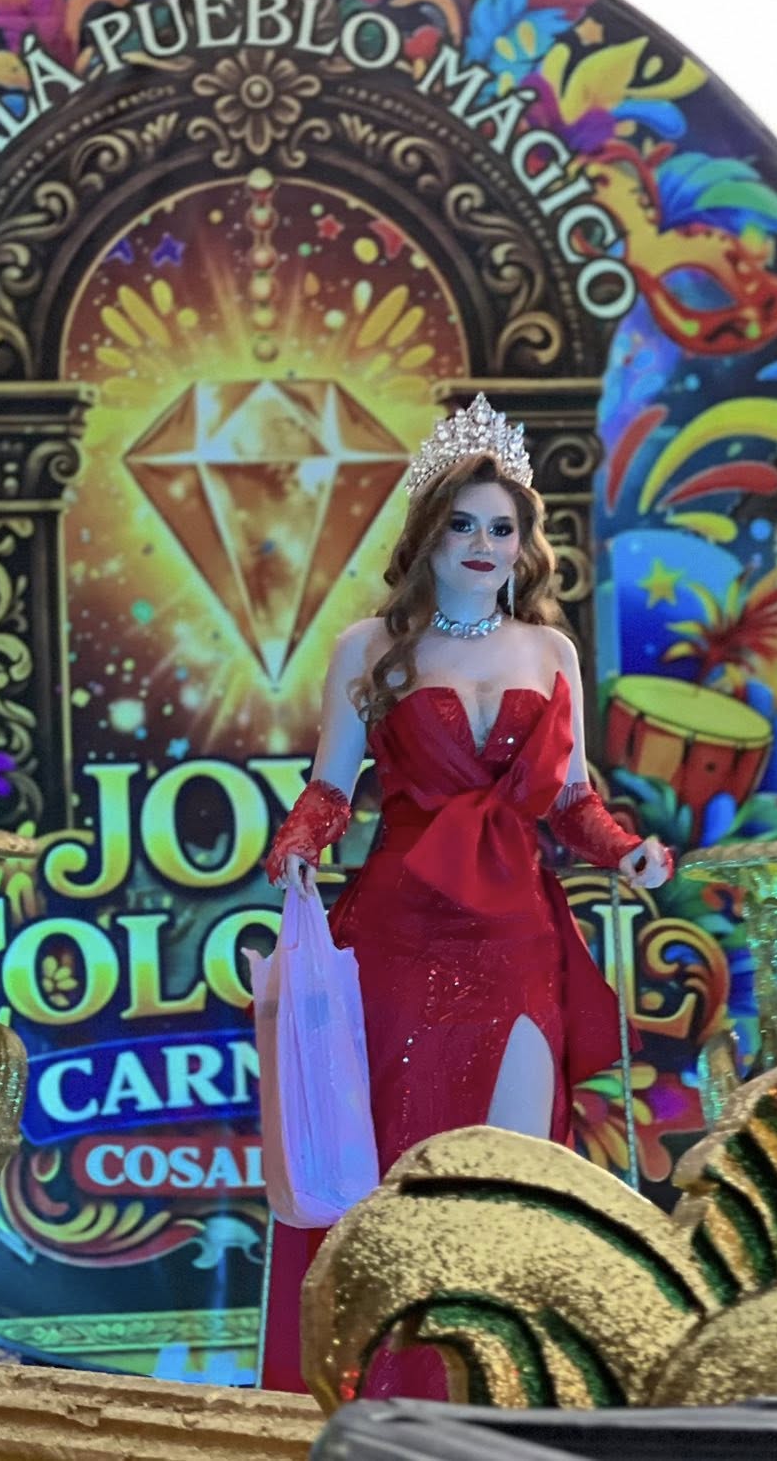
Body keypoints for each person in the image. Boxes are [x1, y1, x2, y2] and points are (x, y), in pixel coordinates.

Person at [258, 395, 671, 1394]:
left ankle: (499, 1402)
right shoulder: (368, 648)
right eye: (463, 526)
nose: (485, 545)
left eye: (502, 527)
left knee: (513, 1179)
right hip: (400, 937)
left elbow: (571, 800)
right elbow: (329, 790)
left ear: (524, 544)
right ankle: (387, 1403)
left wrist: (626, 855)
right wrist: (298, 844)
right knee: (397, 1179)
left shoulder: (550, 652)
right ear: (427, 537)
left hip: (517, 937)